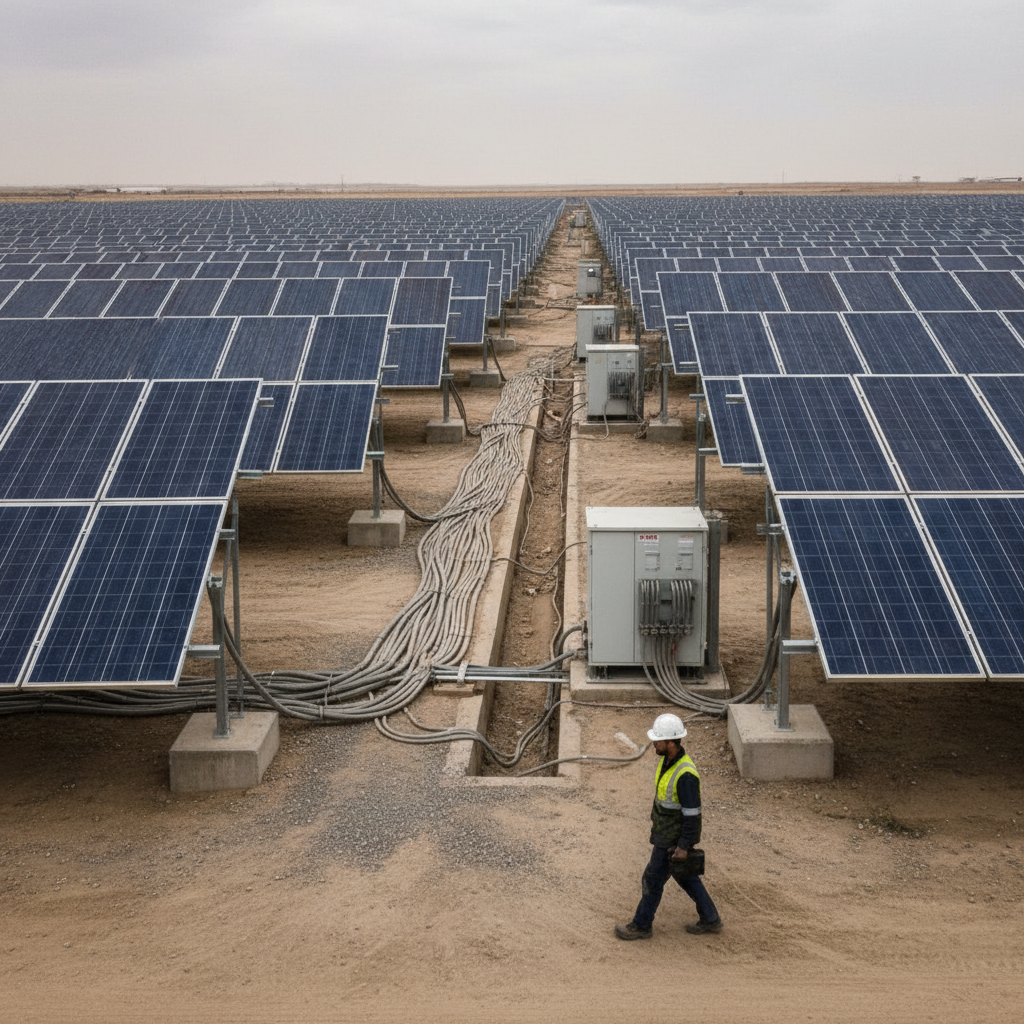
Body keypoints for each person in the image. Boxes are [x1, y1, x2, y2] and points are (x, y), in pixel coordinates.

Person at [615, 713, 723, 940]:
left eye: (659, 740)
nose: (654, 743)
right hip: (667, 834)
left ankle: (641, 925)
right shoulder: (668, 761)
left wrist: (683, 846)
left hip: (671, 840)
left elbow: (693, 815)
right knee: (686, 877)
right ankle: (711, 918)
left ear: (671, 742)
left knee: (652, 879)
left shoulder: (685, 775)